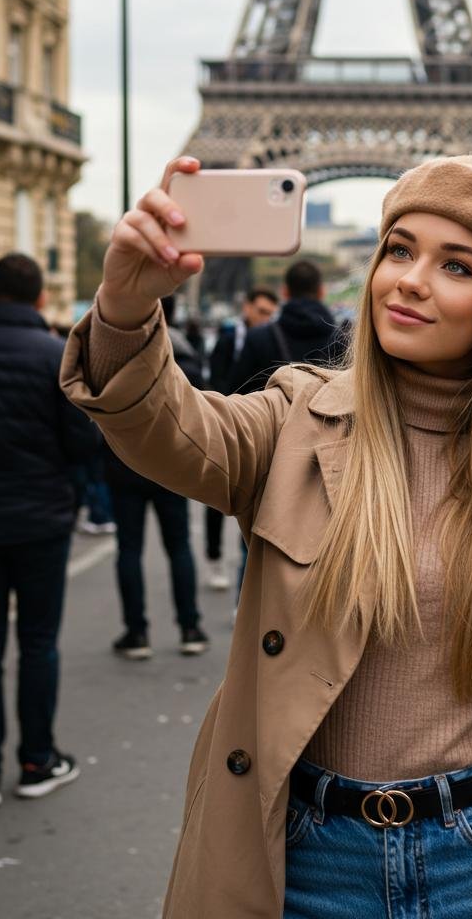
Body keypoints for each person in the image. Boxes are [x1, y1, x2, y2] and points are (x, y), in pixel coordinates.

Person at [60, 153, 472, 919]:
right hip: (310, 859)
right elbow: (164, 430)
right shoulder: (296, 418)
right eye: (399, 250)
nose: (410, 279)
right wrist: (124, 308)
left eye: (456, 266)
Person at [0, 253, 98, 808]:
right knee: (39, 642)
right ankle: (37, 760)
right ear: (42, 298)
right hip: (41, 519)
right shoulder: (55, 356)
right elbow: (83, 444)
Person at [105, 295, 209, 660]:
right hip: (170, 462)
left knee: (129, 549)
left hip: (123, 462)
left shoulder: (116, 348)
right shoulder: (182, 348)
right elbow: (200, 405)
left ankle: (137, 632)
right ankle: (190, 627)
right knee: (178, 546)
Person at [204, 287, 279, 590]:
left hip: (258, 429)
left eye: (270, 314)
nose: (266, 319)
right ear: (247, 308)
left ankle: (243, 564)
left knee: (252, 500)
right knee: (215, 497)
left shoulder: (271, 338)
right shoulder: (227, 339)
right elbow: (216, 380)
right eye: (261, 312)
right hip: (226, 426)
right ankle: (214, 557)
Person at [229, 260, 338, 394]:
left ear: (285, 292)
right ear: (321, 291)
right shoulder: (341, 340)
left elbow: (237, 393)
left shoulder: (257, 338)